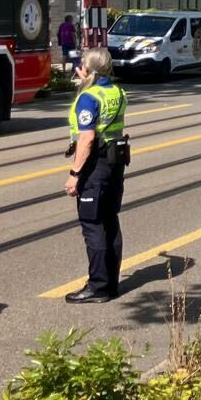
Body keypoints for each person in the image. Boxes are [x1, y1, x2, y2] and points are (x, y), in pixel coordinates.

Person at [63, 47, 130, 303]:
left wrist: (74, 174)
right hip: (115, 163)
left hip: (96, 166)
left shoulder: (89, 98)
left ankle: (97, 287)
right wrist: (85, 85)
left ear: (88, 68)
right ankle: (111, 283)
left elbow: (87, 137)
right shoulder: (117, 91)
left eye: (82, 64)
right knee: (110, 220)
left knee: (93, 224)